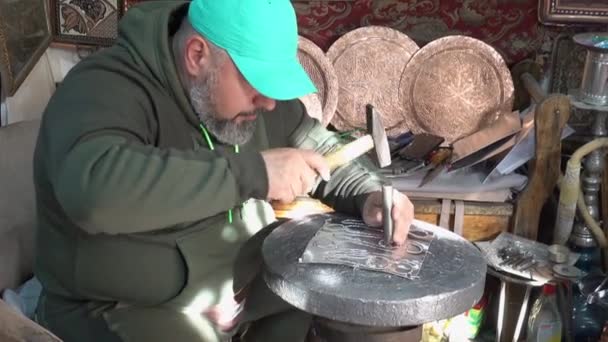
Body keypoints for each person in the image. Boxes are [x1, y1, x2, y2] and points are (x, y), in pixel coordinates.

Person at [32, 0, 414, 341]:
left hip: (243, 284)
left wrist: (368, 193)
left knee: (368, 308)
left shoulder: (253, 103)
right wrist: (252, 173)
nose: (268, 102)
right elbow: (95, 193)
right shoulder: (103, 88)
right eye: (255, 84)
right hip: (127, 305)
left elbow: (320, 146)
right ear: (197, 55)